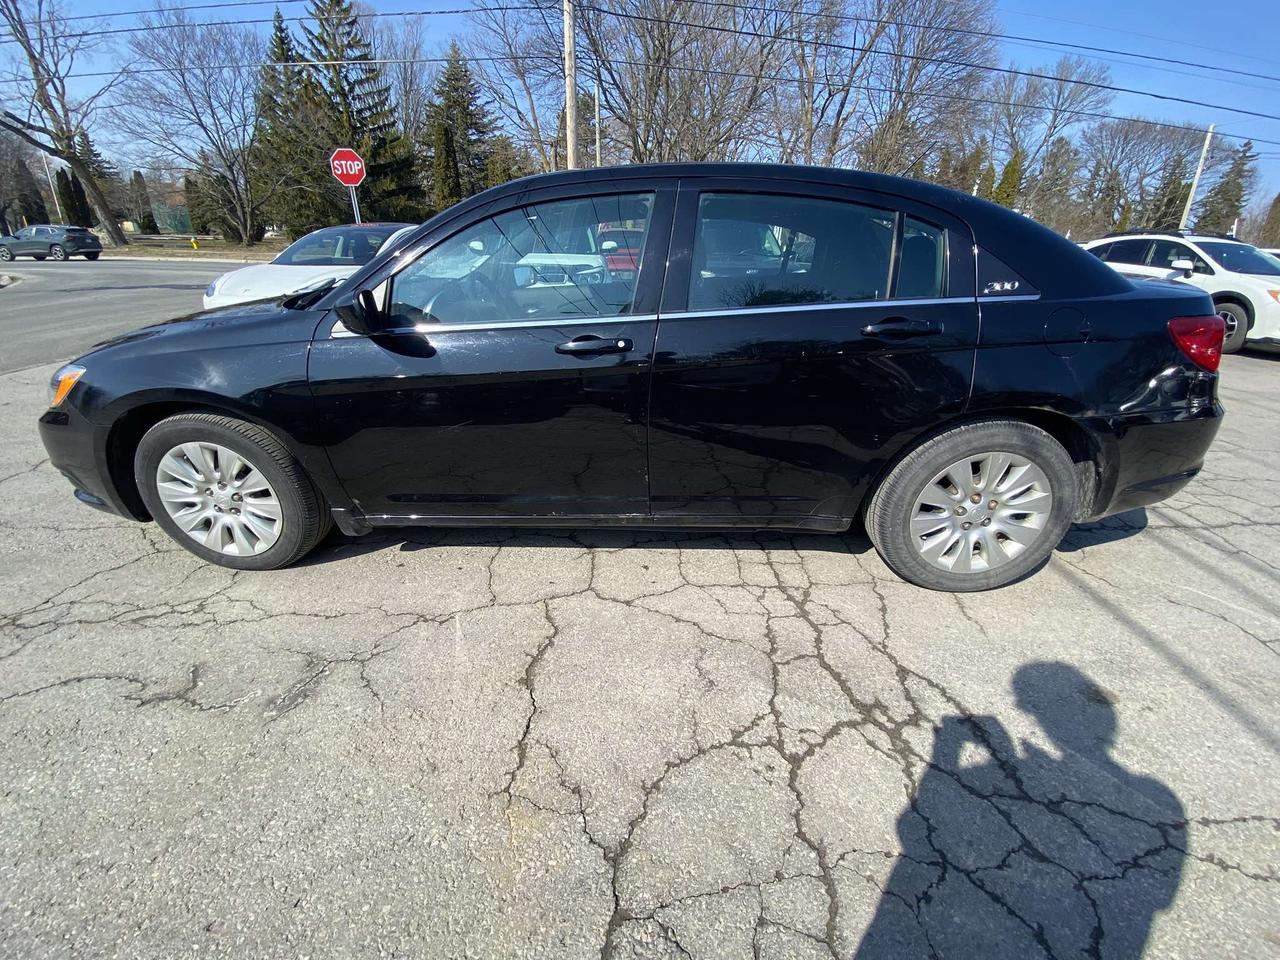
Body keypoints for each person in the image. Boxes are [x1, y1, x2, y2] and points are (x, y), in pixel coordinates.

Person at [854, 661, 1185, 959]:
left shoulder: (1159, 802)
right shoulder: (1162, 800)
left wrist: (946, 751)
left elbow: (910, 825)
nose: (1022, 708)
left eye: (1024, 703)